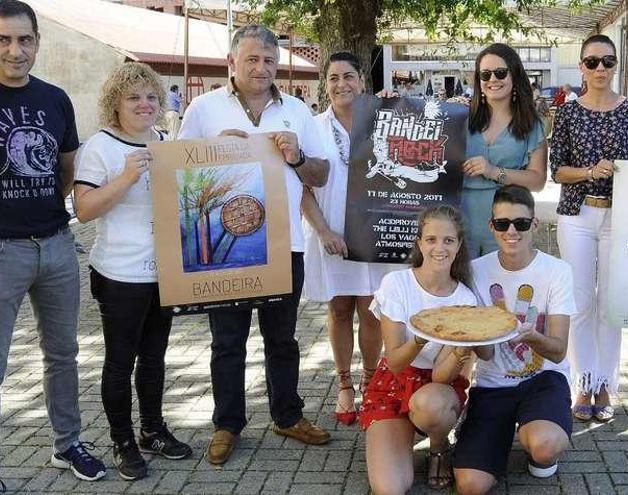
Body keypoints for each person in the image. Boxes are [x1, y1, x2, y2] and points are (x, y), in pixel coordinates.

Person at [177, 24, 331, 465]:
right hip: (227, 248)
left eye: (268, 60)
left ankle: (287, 415)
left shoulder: (298, 111)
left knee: (282, 338)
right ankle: (227, 424)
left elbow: (320, 176)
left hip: (284, 244)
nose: (261, 67)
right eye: (252, 59)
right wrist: (214, 155)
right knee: (227, 341)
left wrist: (299, 157)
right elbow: (177, 176)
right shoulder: (203, 110)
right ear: (231, 62)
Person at [0, 0, 107, 482]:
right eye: (3, 40)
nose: (14, 50)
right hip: (2, 251)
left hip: (57, 244)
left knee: (63, 355)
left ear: (37, 42)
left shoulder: (55, 99)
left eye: (24, 39)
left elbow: (67, 169)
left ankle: (67, 445)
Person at [73, 62, 193, 480]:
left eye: (151, 97)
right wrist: (126, 176)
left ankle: (152, 429)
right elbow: (84, 210)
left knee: (156, 358)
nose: (144, 104)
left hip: (164, 273)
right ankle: (122, 440)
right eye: (133, 97)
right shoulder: (100, 147)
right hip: (120, 274)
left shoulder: (165, 141)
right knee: (120, 361)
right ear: (115, 104)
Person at [550, 34, 628, 422]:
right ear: (581, 68)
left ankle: (605, 383)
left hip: (619, 217)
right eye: (592, 62)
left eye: (607, 62)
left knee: (611, 304)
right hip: (577, 214)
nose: (600, 70)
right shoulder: (569, 112)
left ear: (616, 66)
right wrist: (591, 172)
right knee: (579, 303)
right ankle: (583, 382)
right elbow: (557, 169)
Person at [453, 185, 577, 494]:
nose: (512, 231)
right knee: (471, 485)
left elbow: (559, 352)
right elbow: (482, 354)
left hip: (544, 378)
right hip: (493, 384)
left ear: (534, 224)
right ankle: (499, 431)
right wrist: (478, 338)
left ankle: (538, 444)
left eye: (521, 223)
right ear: (490, 226)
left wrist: (531, 335)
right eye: (502, 223)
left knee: (543, 445)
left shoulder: (557, 271)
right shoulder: (474, 271)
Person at [301, 51, 397, 425]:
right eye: (333, 78)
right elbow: (302, 186)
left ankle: (371, 381)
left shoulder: (385, 121)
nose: (341, 84)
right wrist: (323, 231)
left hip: (374, 234)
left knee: (371, 310)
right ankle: (344, 385)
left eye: (348, 77)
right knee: (339, 309)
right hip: (330, 234)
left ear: (362, 81)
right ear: (326, 86)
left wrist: (403, 111)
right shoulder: (313, 127)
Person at [360, 205, 476, 493]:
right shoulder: (397, 283)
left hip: (436, 390)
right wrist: (422, 336)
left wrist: (461, 349)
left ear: (459, 245)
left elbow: (440, 376)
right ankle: (403, 435)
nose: (440, 248)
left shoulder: (465, 299)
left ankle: (438, 446)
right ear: (420, 243)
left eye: (449, 240)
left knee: (431, 405)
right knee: (390, 488)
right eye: (432, 239)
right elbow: (396, 362)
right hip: (395, 381)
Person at [461, 43, 547, 258]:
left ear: (514, 75)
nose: (492, 80)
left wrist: (493, 171)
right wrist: (386, 103)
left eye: (500, 73)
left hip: (508, 223)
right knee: (461, 288)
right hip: (460, 221)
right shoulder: (459, 118)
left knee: (502, 290)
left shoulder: (530, 124)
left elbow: (538, 181)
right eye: (485, 74)